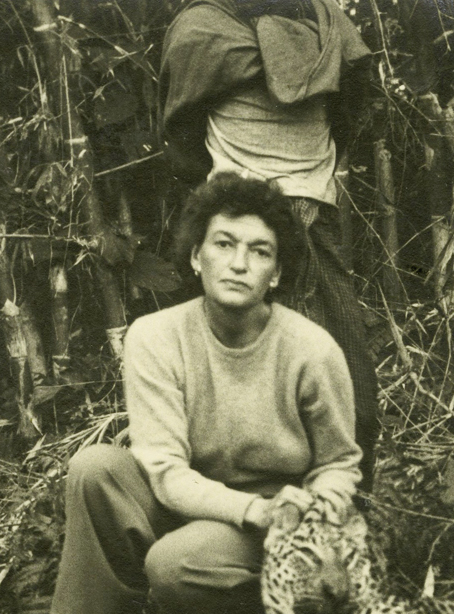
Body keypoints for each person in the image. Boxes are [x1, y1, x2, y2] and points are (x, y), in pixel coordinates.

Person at [45, 174, 361, 614]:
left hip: (276, 516)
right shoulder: (155, 337)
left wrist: (306, 522)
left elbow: (340, 463)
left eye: (260, 252)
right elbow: (165, 472)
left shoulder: (311, 350)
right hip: (192, 499)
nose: (239, 263)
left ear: (276, 273)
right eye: (224, 244)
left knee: (175, 564)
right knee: (96, 468)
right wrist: (246, 509)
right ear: (196, 256)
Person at [161, 0, 379, 490]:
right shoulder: (203, 31)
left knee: (345, 375)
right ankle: (237, 514)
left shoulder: (327, 23)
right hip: (236, 222)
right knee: (233, 375)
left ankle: (343, 516)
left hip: (310, 217)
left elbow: (350, 109)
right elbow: (182, 132)